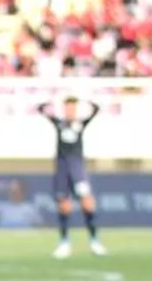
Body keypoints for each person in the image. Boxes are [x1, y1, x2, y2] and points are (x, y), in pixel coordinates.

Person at [38, 96, 106, 259]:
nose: (70, 111)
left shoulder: (80, 124)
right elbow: (40, 109)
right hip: (62, 167)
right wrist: (50, 103)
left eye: (72, 107)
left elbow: (96, 109)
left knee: (87, 203)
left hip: (77, 167)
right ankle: (64, 243)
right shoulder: (58, 123)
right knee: (64, 204)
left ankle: (94, 241)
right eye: (67, 107)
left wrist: (87, 100)